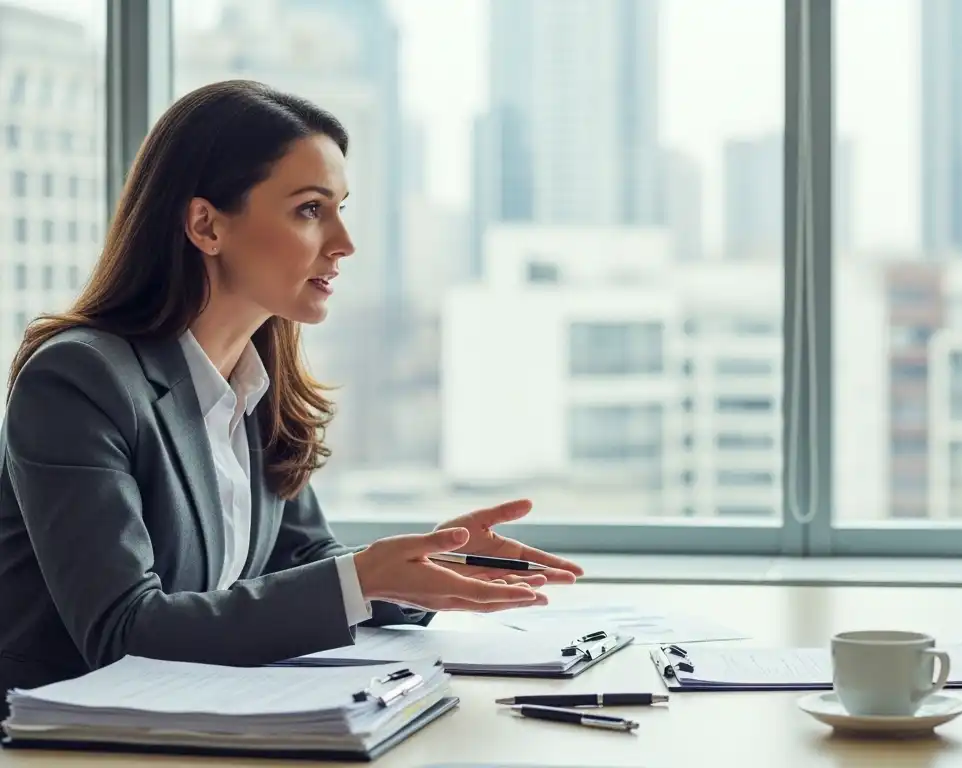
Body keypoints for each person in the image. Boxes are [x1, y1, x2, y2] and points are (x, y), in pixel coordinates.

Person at [0, 80, 583, 707]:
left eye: (340, 207)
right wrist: (360, 579)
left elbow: (302, 557)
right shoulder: (76, 381)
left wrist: (436, 565)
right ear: (206, 224)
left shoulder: (255, 378)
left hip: (202, 720)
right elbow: (122, 630)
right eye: (310, 209)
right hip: (63, 741)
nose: (344, 242)